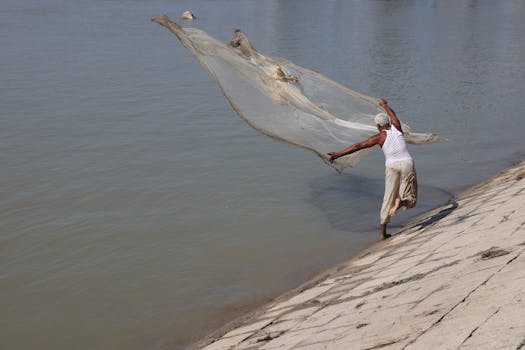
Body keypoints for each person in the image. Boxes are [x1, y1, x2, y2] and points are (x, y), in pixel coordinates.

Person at [327, 99, 417, 239]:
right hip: (406, 163)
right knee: (410, 197)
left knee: (388, 197)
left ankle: (383, 232)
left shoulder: (378, 138)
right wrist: (384, 105)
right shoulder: (397, 127)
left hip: (391, 166)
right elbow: (393, 114)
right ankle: (400, 202)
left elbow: (358, 146)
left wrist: (338, 154)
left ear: (378, 126)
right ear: (389, 122)